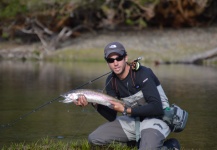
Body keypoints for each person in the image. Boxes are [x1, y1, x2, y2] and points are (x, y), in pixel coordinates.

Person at [74, 42, 180, 150]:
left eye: (119, 58)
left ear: (125, 58)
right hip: (134, 120)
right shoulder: (111, 81)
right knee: (94, 138)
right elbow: (111, 115)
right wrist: (94, 102)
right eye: (111, 60)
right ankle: (136, 142)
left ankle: (170, 146)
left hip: (157, 117)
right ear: (107, 63)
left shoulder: (143, 73)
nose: (115, 63)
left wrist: (126, 110)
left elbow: (156, 108)